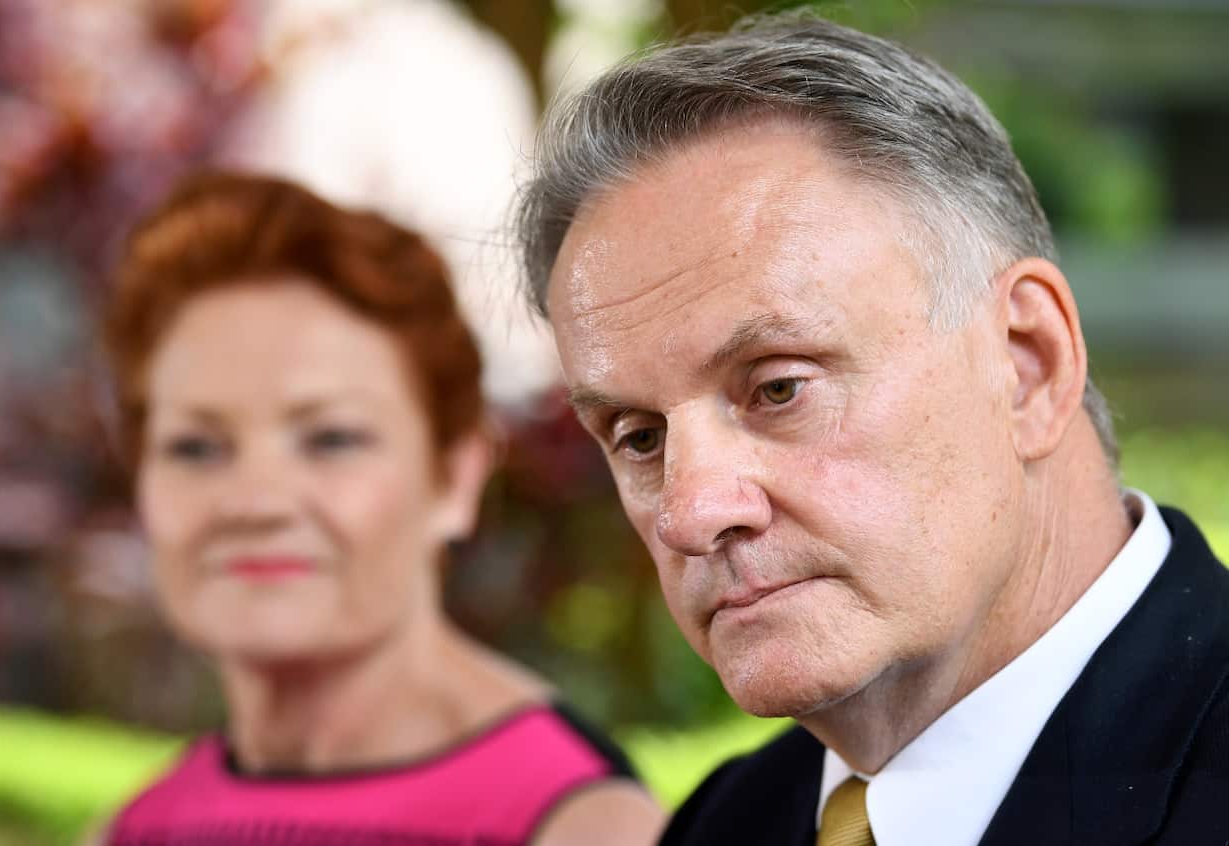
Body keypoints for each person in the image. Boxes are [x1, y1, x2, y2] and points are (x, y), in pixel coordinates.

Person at [515, 12, 1229, 846]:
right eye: (638, 436)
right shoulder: (724, 824)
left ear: (1027, 364)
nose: (691, 512)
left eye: (779, 388)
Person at [97, 171, 663, 845]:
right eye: (195, 447)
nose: (254, 502)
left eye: (331, 438)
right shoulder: (140, 826)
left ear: (454, 477)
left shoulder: (583, 824)